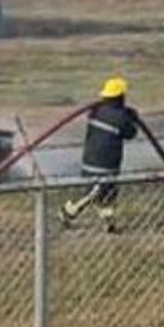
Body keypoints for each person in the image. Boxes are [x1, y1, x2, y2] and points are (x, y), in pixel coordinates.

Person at [62, 77, 146, 233]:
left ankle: (110, 224)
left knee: (107, 195)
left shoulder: (96, 111)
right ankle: (68, 211)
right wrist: (131, 118)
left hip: (90, 158)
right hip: (105, 164)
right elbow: (131, 133)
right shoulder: (120, 118)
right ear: (121, 97)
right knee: (94, 192)